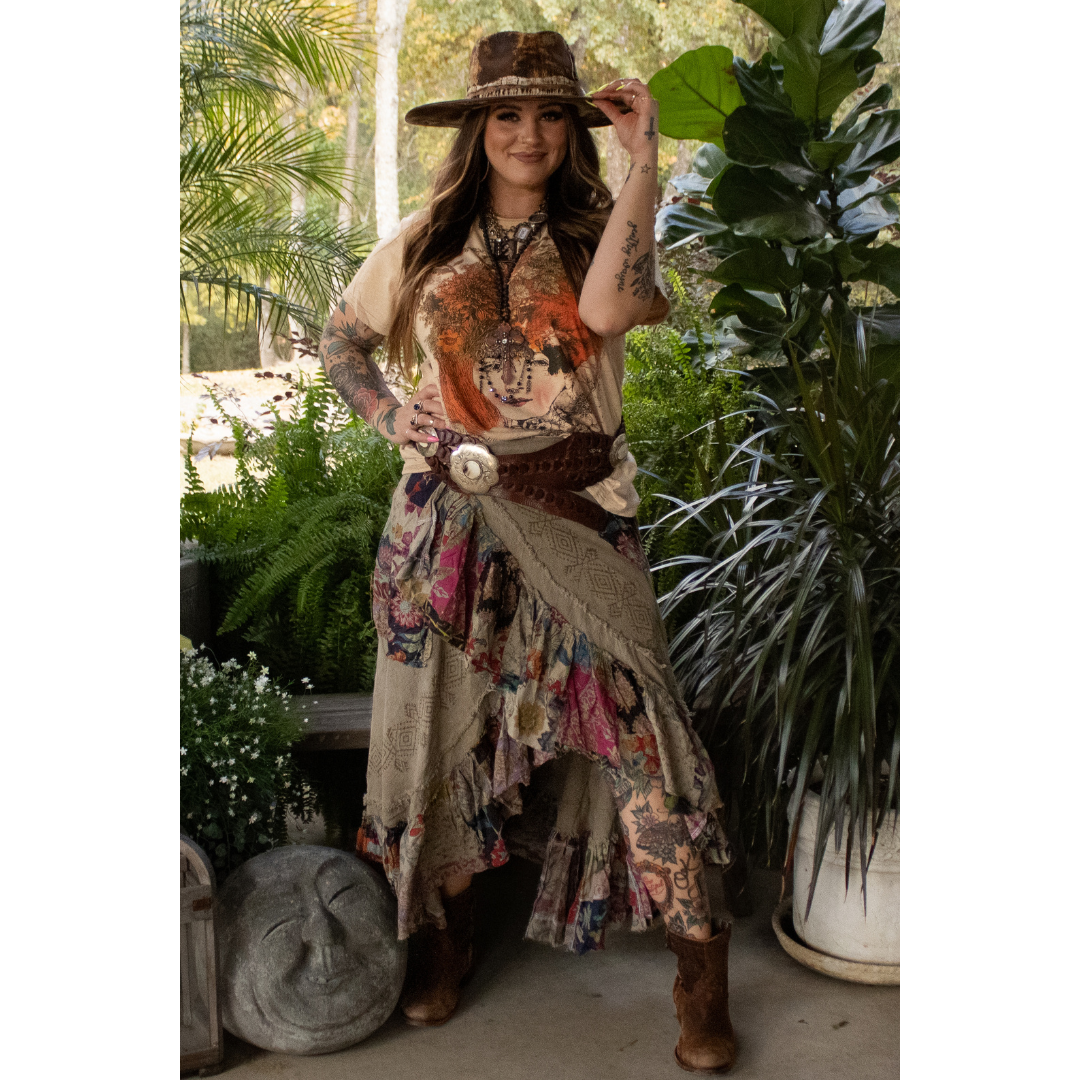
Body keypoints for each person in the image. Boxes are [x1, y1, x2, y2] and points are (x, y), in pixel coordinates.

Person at [318, 30, 737, 1075]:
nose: (529, 134)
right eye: (507, 114)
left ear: (574, 129)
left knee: (646, 740)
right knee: (433, 741)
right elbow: (341, 340)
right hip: (443, 524)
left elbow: (607, 310)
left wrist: (644, 158)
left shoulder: (607, 230)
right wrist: (393, 419)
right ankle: (446, 941)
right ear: (477, 128)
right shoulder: (423, 241)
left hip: (578, 509)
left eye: (552, 114)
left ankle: (701, 973)